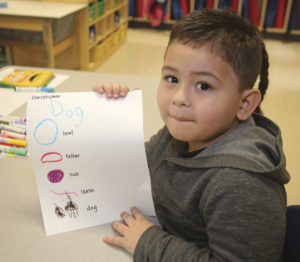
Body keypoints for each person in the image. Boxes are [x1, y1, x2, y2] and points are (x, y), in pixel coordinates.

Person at [93, 8, 290, 261]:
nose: (179, 99)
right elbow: (137, 165)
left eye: (204, 86)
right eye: (172, 78)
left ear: (244, 105)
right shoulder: (180, 135)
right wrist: (108, 116)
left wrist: (149, 242)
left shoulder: (241, 184)